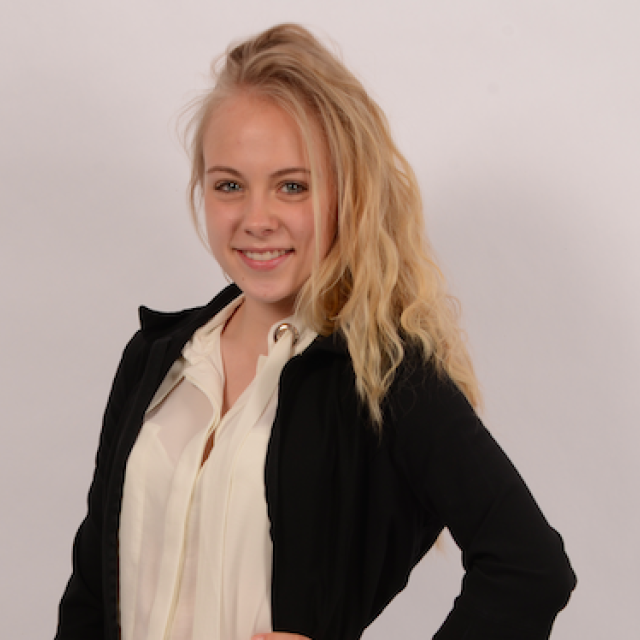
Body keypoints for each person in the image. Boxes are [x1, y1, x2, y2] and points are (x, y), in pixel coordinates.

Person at [55, 23, 576, 640]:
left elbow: (530, 569)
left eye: (292, 186)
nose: (256, 219)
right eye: (229, 185)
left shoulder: (384, 375)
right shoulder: (154, 358)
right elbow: (91, 591)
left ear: (346, 195)